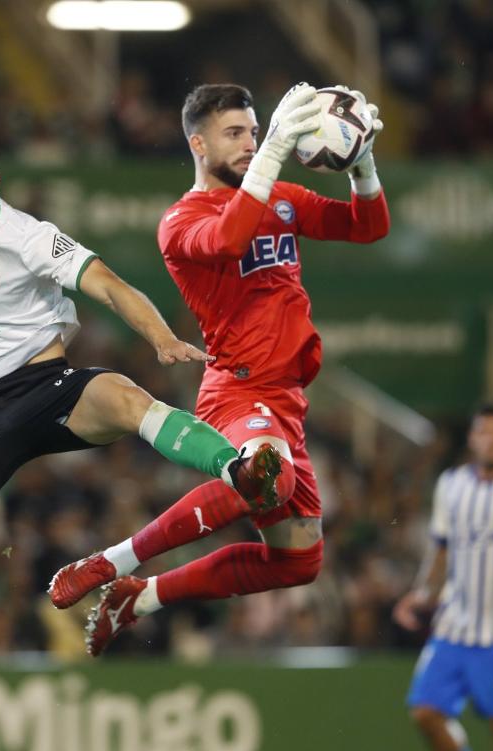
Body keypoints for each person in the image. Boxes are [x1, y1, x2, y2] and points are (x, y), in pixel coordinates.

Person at [0, 128, 282, 751]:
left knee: (129, 400)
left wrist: (160, 337)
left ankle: (236, 467)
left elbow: (107, 283)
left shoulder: (27, 235)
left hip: (48, 386)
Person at [47, 82, 391, 655]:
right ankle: (110, 562)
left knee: (299, 560)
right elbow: (231, 239)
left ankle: (142, 596)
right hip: (238, 390)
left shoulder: (280, 196)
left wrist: (365, 163)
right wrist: (279, 152)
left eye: (255, 132)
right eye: (236, 134)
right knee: (262, 480)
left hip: (286, 400)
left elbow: (367, 226)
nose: (251, 143)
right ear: (198, 145)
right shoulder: (180, 222)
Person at [392, 405, 493, 751]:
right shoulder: (451, 484)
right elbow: (441, 548)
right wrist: (423, 592)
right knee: (425, 712)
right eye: (483, 432)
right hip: (455, 622)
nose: (490, 439)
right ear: (473, 439)